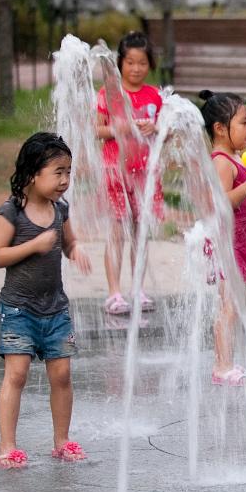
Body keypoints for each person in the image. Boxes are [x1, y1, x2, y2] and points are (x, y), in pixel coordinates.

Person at [0, 133, 93, 468]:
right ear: (33, 173)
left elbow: (68, 241)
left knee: (62, 375)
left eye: (68, 172)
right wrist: (33, 246)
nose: (64, 180)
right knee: (16, 374)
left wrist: (76, 250)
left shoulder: (60, 209)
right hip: (19, 309)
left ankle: (61, 441)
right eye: (57, 172)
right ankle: (7, 447)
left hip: (55, 308)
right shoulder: (12, 211)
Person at [202, 90, 246, 387]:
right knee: (227, 306)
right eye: (243, 123)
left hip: (240, 242)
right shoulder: (221, 161)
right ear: (220, 128)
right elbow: (220, 203)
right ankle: (222, 367)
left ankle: (229, 362)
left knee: (235, 305)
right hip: (228, 244)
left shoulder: (234, 158)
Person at [97, 31, 162, 315]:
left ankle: (138, 288)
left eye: (143, 63)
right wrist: (116, 129)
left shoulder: (155, 96)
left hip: (146, 174)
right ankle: (114, 293)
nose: (136, 69)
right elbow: (95, 129)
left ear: (150, 65)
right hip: (117, 173)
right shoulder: (109, 95)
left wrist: (156, 128)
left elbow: (168, 132)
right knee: (117, 232)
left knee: (140, 232)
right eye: (130, 62)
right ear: (120, 62)